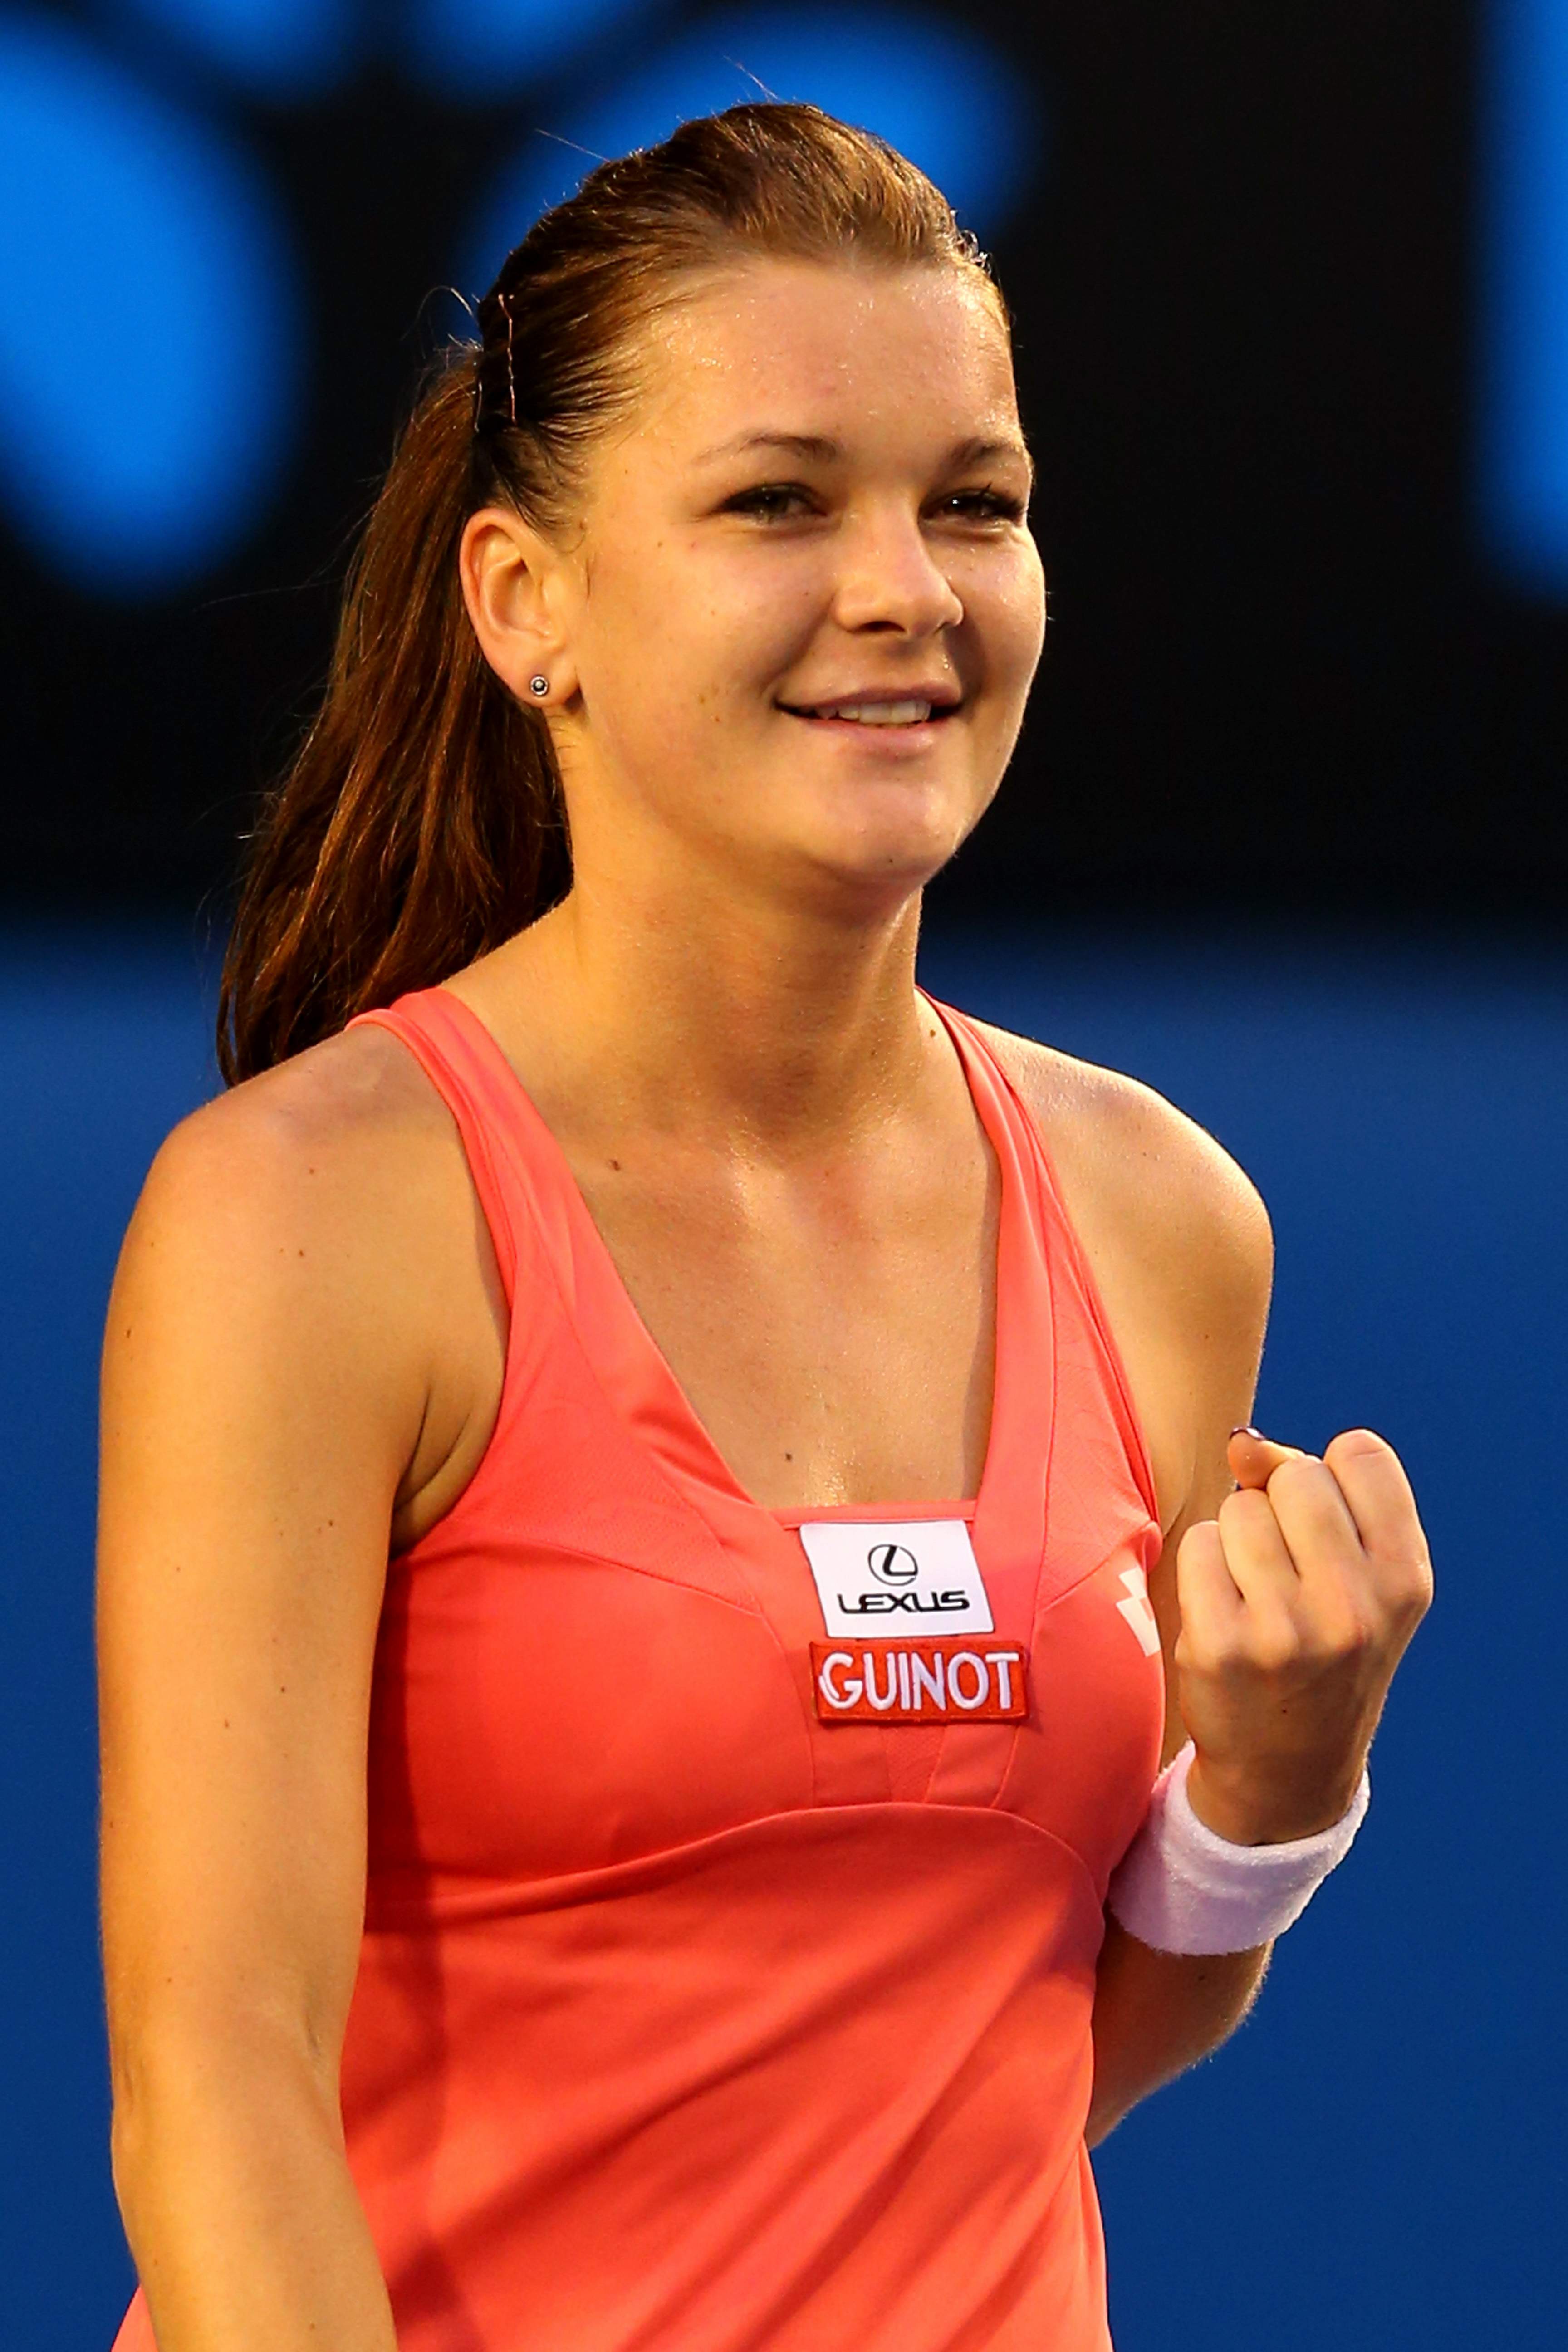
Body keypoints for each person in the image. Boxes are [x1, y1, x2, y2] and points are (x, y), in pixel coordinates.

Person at [98, 103, 1431, 2352]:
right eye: (780, 502)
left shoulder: (1167, 1219)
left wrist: (1282, 1789)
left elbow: (1038, 2054)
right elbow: (218, 2092)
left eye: (974, 501)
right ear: (527, 603)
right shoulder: (308, 1220)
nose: (909, 588)